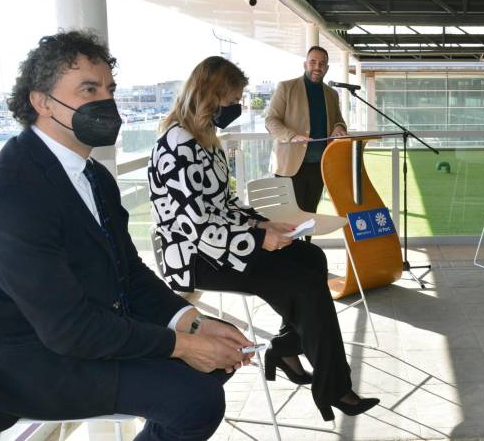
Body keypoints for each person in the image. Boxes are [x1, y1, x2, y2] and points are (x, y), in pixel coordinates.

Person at [0, 30, 255, 440]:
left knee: (215, 364)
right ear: (41, 102)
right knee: (195, 399)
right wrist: (182, 345)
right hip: (29, 366)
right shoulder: (9, 196)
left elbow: (128, 271)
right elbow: (69, 329)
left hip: (81, 334)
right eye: (88, 89)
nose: (105, 102)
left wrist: (193, 322)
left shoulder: (93, 177)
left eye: (108, 89)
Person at [148, 55, 378, 422]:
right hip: (195, 257)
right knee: (301, 280)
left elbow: (223, 205)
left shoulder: (204, 138)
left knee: (310, 259)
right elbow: (195, 226)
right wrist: (256, 240)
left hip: (221, 244)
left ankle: (288, 347)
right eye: (233, 100)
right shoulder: (179, 145)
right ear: (211, 96)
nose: (237, 107)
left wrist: (264, 225)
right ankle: (332, 385)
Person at [265, 46, 347, 233]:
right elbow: (270, 120)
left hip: (319, 166)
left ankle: (306, 254)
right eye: (313, 62)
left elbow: (339, 120)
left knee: (311, 215)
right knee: (288, 221)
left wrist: (339, 127)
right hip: (289, 167)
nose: (317, 67)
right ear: (305, 64)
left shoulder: (332, 94)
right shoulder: (286, 87)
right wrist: (291, 136)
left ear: (326, 68)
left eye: (322, 63)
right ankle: (288, 258)